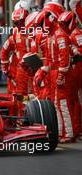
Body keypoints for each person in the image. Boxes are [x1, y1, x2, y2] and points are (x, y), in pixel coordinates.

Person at [34, 3, 75, 142]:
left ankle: (68, 133)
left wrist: (62, 74)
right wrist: (43, 72)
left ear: (51, 17)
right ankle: (59, 132)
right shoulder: (51, 35)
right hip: (53, 74)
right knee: (55, 104)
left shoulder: (59, 35)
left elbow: (64, 57)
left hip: (59, 74)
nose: (42, 25)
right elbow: (50, 59)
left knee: (63, 104)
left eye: (43, 21)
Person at [60, 11, 82, 139]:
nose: (63, 26)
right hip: (74, 71)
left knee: (76, 100)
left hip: (77, 70)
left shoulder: (76, 34)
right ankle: (76, 129)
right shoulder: (68, 34)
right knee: (73, 100)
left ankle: (77, 129)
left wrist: (73, 54)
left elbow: (80, 53)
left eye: (65, 23)